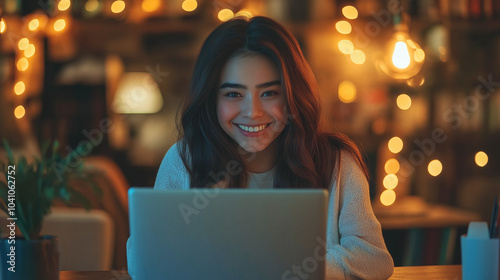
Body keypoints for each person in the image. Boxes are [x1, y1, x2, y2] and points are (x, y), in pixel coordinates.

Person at [128, 16, 394, 279]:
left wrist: (290, 266)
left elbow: (374, 259)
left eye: (269, 93)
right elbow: (143, 260)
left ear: (293, 96)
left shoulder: (337, 162)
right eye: (233, 94)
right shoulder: (183, 161)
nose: (252, 112)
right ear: (211, 99)